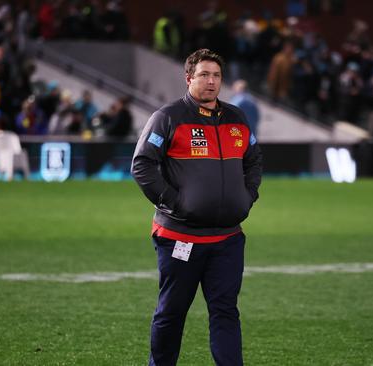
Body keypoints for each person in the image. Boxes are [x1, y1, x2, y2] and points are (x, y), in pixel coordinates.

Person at [131, 48, 262, 366]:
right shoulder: (168, 118)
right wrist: (176, 203)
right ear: (188, 78)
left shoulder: (237, 118)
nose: (211, 82)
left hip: (227, 239)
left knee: (226, 312)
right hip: (180, 238)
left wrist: (247, 197)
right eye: (204, 75)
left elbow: (253, 160)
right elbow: (143, 165)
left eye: (216, 75)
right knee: (171, 313)